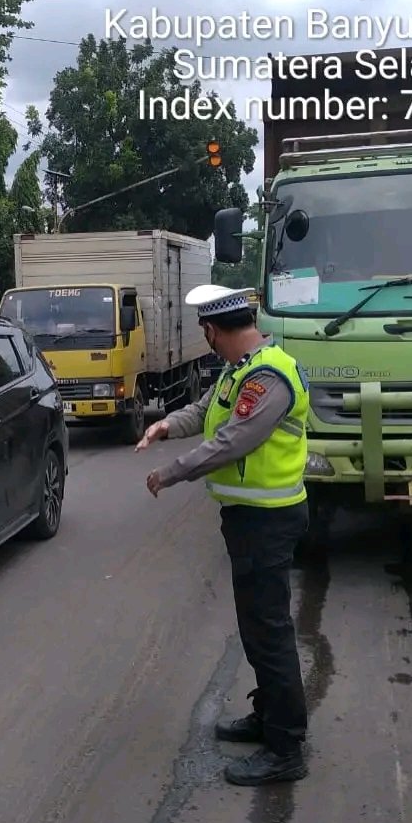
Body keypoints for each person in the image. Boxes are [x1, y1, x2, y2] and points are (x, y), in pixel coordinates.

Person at [136, 284, 310, 786]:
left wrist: (170, 473)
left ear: (212, 331)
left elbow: (234, 441)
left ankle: (286, 748)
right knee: (257, 629)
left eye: (205, 334)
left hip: (269, 522)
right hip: (248, 520)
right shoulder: (240, 371)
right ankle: (268, 716)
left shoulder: (269, 376)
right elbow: (204, 410)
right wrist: (164, 426)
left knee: (270, 633)